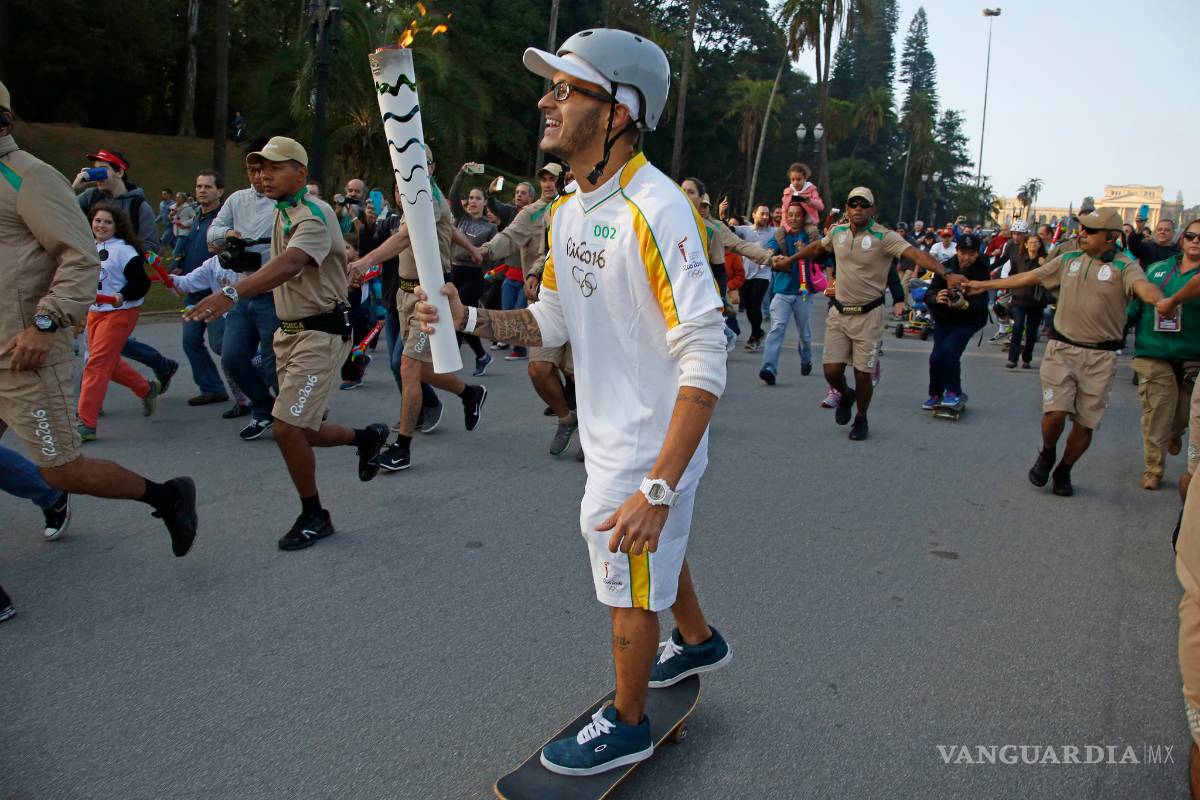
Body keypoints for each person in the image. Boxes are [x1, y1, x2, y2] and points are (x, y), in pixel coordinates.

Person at [417, 30, 731, 776]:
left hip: (651, 444)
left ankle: (625, 723)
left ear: (619, 109)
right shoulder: (569, 211)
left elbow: (708, 355)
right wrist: (467, 320)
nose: (545, 101)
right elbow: (550, 322)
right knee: (650, 557)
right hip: (613, 430)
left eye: (565, 89)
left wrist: (658, 485)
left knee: (627, 571)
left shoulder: (656, 209)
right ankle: (697, 639)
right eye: (550, 87)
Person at [0, 79, 197, 620]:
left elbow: (81, 257)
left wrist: (45, 323)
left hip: (24, 353)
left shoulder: (30, 177)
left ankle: (167, 497)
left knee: (62, 469)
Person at [184, 136, 389, 550]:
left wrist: (231, 294)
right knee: (303, 430)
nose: (263, 175)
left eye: (274, 167)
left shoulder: (312, 214)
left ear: (301, 172)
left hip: (320, 333)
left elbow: (292, 263)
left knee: (287, 428)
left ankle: (315, 514)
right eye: (258, 168)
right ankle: (366, 438)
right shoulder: (283, 210)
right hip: (290, 333)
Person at [964, 208, 1164, 496]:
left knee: (1085, 424)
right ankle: (1047, 452)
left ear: (1111, 237)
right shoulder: (1068, 259)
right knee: (1055, 413)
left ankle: (1065, 468)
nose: (1081, 233)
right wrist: (981, 285)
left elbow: (1144, 288)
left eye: (1090, 231)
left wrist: (1161, 301)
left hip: (1100, 356)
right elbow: (1029, 277)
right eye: (1081, 228)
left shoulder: (1125, 266)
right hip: (1062, 349)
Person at [346, 147, 489, 474]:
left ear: (432, 167)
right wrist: (470, 248)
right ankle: (470, 393)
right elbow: (447, 227)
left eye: (421, 162)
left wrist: (365, 261)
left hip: (431, 296)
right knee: (410, 366)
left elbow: (403, 239)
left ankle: (403, 447)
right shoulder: (421, 194)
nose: (412, 167)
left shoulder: (425, 197)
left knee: (409, 367)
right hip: (404, 293)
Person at [789, 187, 951, 440]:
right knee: (831, 371)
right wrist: (790, 260)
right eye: (853, 204)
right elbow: (816, 249)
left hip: (869, 315)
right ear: (846, 208)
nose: (858, 209)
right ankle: (846, 394)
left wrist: (947, 273)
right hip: (839, 313)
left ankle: (861, 417)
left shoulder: (884, 236)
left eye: (864, 205)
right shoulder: (838, 232)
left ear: (872, 209)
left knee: (863, 373)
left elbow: (915, 254)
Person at [479, 162, 581, 455]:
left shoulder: (585, 205)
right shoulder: (536, 211)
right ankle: (567, 417)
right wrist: (483, 253)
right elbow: (511, 238)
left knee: (577, 371)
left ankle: (590, 429)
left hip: (580, 303)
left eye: (555, 178)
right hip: (544, 301)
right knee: (538, 369)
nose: (550, 184)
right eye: (544, 179)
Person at [207, 145, 279, 440]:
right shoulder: (237, 200)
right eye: (253, 170)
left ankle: (298, 415)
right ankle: (264, 410)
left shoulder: (284, 203)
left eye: (265, 169)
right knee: (232, 357)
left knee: (277, 362)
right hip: (242, 290)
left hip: (276, 292)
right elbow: (212, 233)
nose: (259, 176)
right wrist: (228, 235)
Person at [77, 204, 161, 441]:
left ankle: (86, 423)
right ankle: (147, 389)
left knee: (96, 363)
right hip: (95, 312)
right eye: (97, 221)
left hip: (120, 313)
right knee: (107, 363)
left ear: (117, 226)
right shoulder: (88, 246)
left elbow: (141, 283)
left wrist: (121, 296)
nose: (101, 226)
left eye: (107, 222)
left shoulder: (124, 250)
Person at [1133, 219, 1200, 490]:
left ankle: (1175, 432)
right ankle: (1153, 468)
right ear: (1182, 239)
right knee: (1156, 413)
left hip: (1192, 357)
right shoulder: (1159, 270)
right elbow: (1137, 305)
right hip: (1154, 351)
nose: (1196, 241)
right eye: (1192, 235)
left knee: (1181, 417)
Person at [175, 170, 234, 408]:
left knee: (222, 345)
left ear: (220, 191)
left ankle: (254, 383)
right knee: (190, 341)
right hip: (194, 292)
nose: (201, 190)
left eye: (207, 187)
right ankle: (212, 388)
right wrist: (178, 265)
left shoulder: (223, 220)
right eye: (199, 186)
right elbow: (188, 246)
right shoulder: (198, 217)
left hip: (216, 293)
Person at [920, 234, 990, 410]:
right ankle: (935, 394)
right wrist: (937, 298)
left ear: (977, 253)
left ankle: (953, 392)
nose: (966, 257)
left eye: (971, 253)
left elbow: (982, 304)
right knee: (936, 357)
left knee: (950, 351)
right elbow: (928, 295)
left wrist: (965, 304)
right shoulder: (945, 268)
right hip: (944, 318)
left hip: (969, 320)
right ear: (957, 250)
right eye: (962, 252)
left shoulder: (982, 271)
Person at [759, 202, 822, 383]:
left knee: (805, 334)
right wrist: (771, 256)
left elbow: (821, 255)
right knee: (777, 328)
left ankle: (806, 358)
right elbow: (769, 251)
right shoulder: (779, 235)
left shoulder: (810, 236)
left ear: (804, 217)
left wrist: (807, 252)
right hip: (782, 291)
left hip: (803, 292)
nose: (794, 218)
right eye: (791, 215)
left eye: (798, 215)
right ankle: (769, 368)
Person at [448, 173, 500, 371]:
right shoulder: (461, 218)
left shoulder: (490, 227)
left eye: (478, 198)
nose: (473, 201)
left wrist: (483, 266)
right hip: (454, 271)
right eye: (470, 198)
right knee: (459, 318)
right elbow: (453, 195)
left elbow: (492, 253)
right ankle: (481, 356)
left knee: (459, 315)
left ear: (485, 202)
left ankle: (451, 355)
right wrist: (461, 173)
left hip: (473, 275)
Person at [1001, 228, 1049, 369]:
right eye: (1031, 242)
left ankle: (1027, 358)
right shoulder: (1019, 259)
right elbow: (1012, 276)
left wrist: (1044, 265)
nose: (1034, 245)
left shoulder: (1045, 260)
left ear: (1040, 245)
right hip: (1019, 300)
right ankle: (1013, 359)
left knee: (1032, 331)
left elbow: (1050, 278)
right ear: (1026, 244)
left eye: (1036, 242)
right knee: (1018, 326)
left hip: (1036, 301)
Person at [733, 205, 777, 351]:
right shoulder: (745, 230)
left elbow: (789, 231)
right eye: (762, 214)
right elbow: (728, 230)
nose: (765, 217)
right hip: (747, 273)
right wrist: (721, 215)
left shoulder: (774, 232)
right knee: (749, 307)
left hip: (763, 274)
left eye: (767, 214)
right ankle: (758, 331)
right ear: (754, 214)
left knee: (755, 304)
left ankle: (754, 336)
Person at [779, 162, 823, 241]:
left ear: (805, 178)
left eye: (798, 179)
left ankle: (811, 252)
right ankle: (785, 252)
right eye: (793, 179)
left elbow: (821, 207)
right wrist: (788, 227)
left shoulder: (811, 190)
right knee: (778, 233)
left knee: (814, 232)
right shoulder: (788, 192)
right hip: (791, 223)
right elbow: (784, 211)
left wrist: (810, 201)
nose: (795, 182)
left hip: (807, 224)